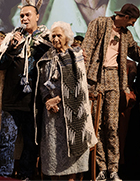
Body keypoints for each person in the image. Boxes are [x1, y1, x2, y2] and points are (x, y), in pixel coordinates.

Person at [82, 3, 140, 181]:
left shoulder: (126, 35)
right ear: (124, 16)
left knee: (112, 125)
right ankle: (101, 168)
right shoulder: (99, 23)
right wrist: (83, 80)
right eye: (132, 21)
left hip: (115, 79)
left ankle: (114, 169)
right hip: (95, 79)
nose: (132, 25)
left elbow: (137, 53)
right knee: (96, 125)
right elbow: (87, 49)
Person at [0, 3, 51, 179]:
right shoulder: (10, 39)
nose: (24, 18)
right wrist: (14, 46)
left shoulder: (46, 40)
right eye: (21, 16)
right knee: (6, 140)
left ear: (37, 17)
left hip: (33, 101)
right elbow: (2, 66)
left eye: (28, 15)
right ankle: (3, 173)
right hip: (11, 98)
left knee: (31, 141)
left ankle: (26, 174)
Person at [37, 21, 97, 179]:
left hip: (73, 112)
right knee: (52, 148)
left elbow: (79, 85)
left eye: (59, 35)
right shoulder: (47, 58)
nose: (55, 38)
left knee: (74, 143)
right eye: (53, 35)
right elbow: (43, 84)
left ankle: (72, 178)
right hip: (52, 111)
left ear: (67, 38)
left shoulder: (76, 56)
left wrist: (59, 99)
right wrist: (48, 100)